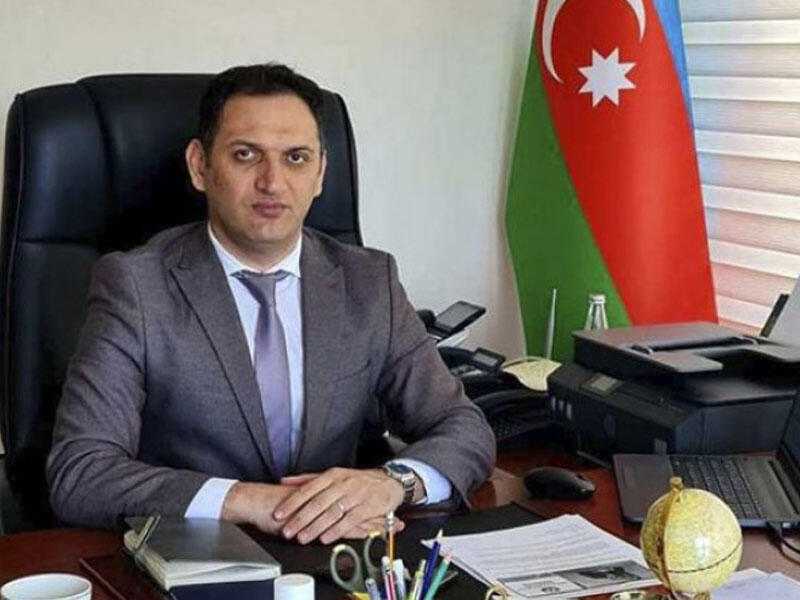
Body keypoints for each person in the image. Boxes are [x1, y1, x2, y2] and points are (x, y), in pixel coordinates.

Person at [46, 63, 495, 545]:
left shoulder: (369, 282)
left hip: (341, 557)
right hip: (198, 559)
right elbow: (82, 472)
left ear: (320, 173)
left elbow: (464, 426)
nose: (272, 182)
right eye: (245, 155)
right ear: (200, 166)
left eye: (296, 158)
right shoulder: (136, 287)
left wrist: (393, 483)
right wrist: (252, 501)